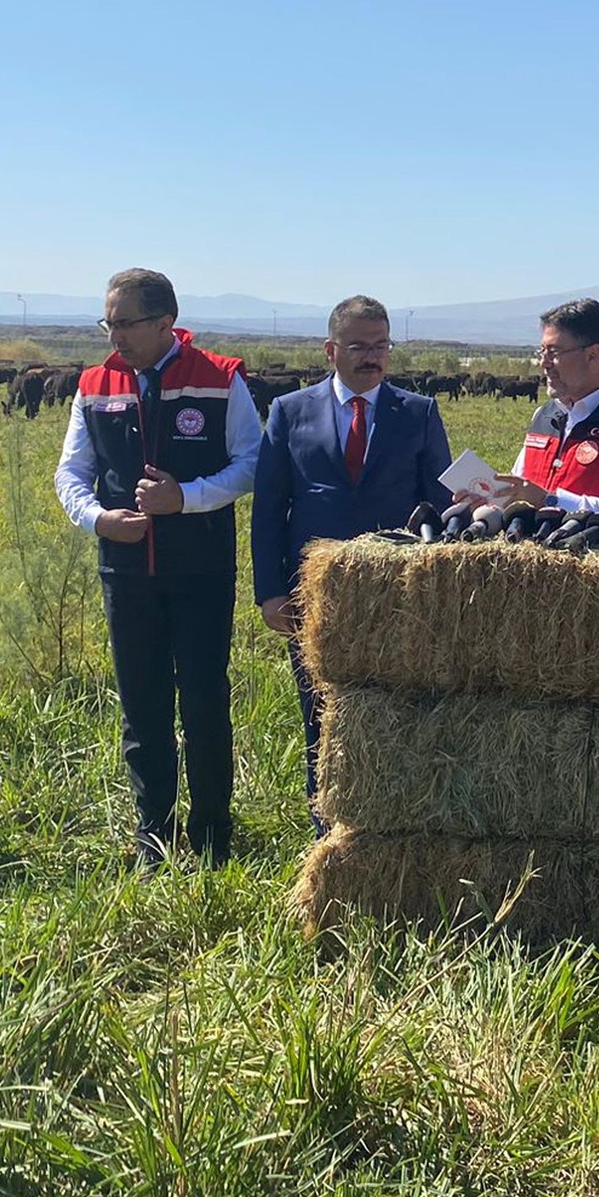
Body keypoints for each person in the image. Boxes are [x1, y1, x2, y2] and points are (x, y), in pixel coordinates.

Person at [55, 268, 261, 868]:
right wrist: (96, 518)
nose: (112, 335)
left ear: (165, 322)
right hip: (125, 570)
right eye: (108, 322)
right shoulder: (95, 383)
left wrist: (187, 497)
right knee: (141, 705)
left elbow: (251, 462)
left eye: (124, 323)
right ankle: (154, 833)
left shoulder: (221, 378)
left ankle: (212, 832)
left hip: (200, 567)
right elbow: (70, 471)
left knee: (203, 701)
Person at [250, 295, 452, 829]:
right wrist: (270, 590)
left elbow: (440, 505)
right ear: (330, 350)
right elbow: (269, 507)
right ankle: (328, 828)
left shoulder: (419, 413)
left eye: (381, 345)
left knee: (399, 711)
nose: (372, 356)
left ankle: (392, 825)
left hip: (398, 591)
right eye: (359, 346)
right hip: (315, 596)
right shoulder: (289, 412)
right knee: (321, 713)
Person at [491, 298, 599, 537]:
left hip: (596, 571)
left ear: (593, 355)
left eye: (554, 352)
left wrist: (549, 500)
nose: (543, 363)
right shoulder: (543, 416)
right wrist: (487, 497)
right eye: (541, 351)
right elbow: (521, 490)